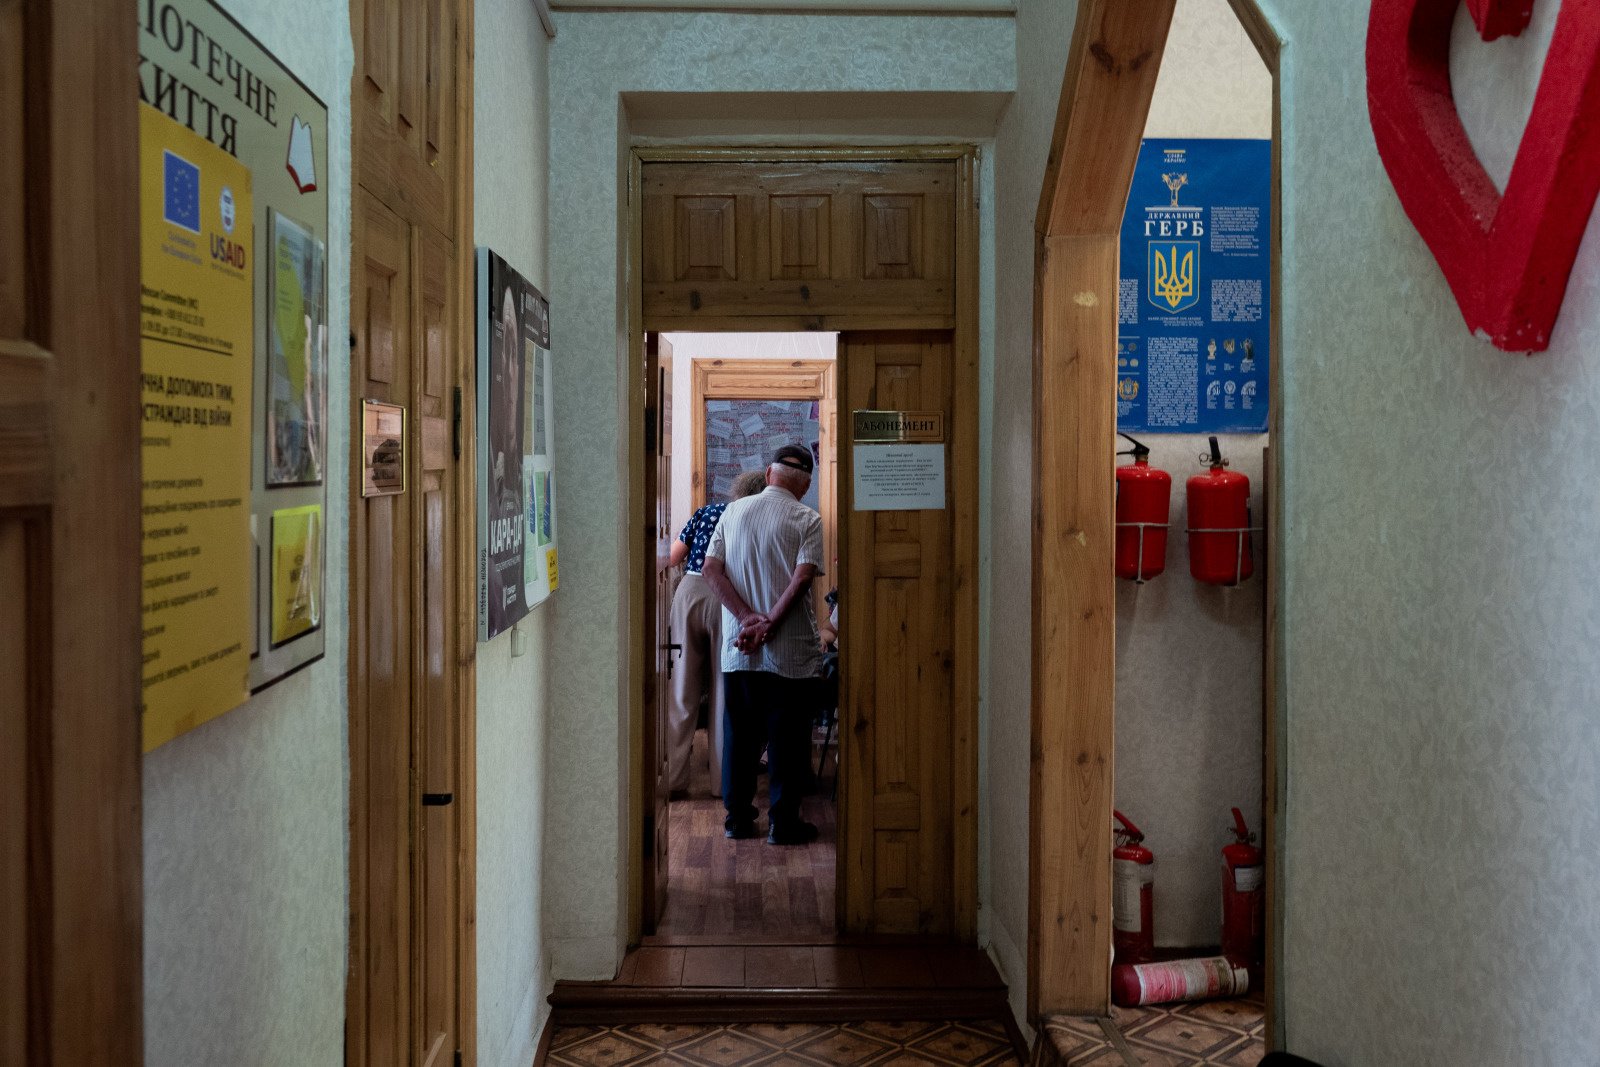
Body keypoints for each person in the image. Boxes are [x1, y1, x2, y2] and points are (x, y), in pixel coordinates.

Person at [702, 444, 825, 845]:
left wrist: (745, 618)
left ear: (769, 475)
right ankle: (782, 823)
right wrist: (769, 623)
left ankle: (738, 820)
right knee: (787, 740)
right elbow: (803, 577)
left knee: (739, 736)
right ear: (804, 485)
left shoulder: (732, 511)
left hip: (740, 649)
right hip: (790, 654)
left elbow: (710, 569)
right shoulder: (807, 517)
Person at [665, 469, 767, 798]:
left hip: (691, 591)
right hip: (728, 596)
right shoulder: (757, 521)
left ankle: (674, 779)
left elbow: (673, 557)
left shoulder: (707, 512)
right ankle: (723, 784)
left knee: (682, 688)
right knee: (725, 692)